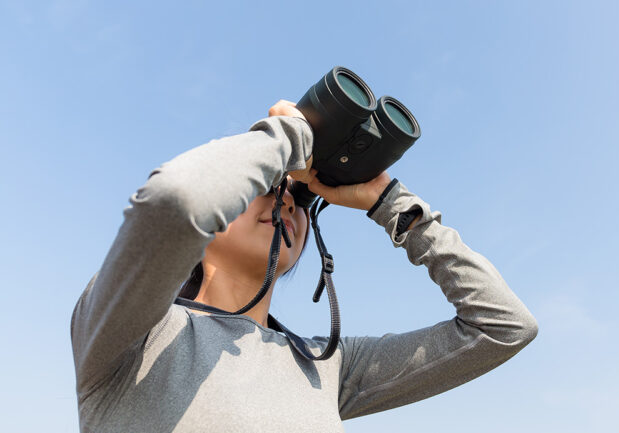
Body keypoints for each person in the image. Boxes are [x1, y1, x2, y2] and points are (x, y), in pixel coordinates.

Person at [70, 100, 539, 432]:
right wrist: (290, 137)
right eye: (264, 189)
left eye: (294, 199)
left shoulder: (325, 364)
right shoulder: (135, 332)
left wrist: (391, 205)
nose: (285, 204)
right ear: (210, 226)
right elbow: (178, 201)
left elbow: (504, 327)